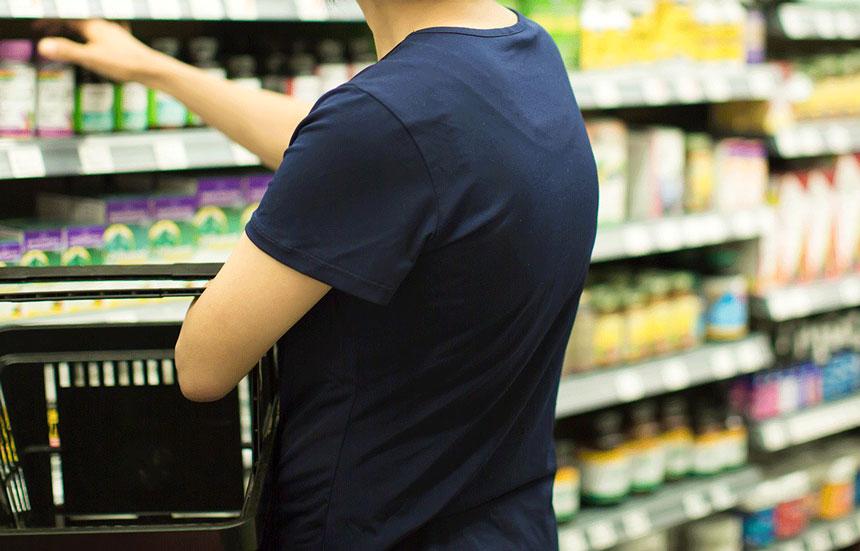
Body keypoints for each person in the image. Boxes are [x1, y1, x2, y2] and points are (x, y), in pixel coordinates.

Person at [38, 0, 598, 548]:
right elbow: (351, 148)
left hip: (374, 528)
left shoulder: (384, 116)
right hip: (504, 523)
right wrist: (153, 68)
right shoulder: (526, 51)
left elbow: (202, 366)